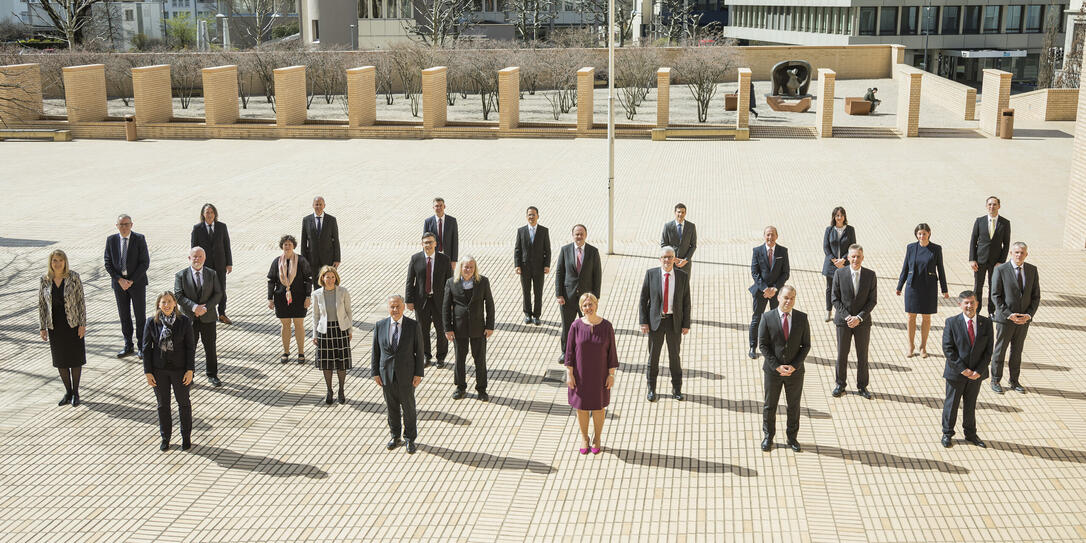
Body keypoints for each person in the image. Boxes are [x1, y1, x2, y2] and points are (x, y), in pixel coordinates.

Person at [757, 285, 810, 453]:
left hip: (795, 373)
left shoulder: (802, 318)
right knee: (769, 406)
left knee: (794, 406)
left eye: (792, 298)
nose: (789, 301)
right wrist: (777, 366)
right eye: (786, 297)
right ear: (778, 297)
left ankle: (792, 437)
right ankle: (768, 437)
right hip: (773, 372)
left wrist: (794, 366)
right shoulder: (767, 317)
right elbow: (763, 345)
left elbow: (806, 345)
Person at [565, 293, 618, 455]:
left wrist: (611, 375)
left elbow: (612, 354)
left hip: (599, 375)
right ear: (581, 308)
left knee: (598, 408)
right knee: (581, 409)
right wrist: (569, 374)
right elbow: (569, 353)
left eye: (590, 304)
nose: (588, 308)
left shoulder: (607, 326)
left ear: (596, 304)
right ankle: (584, 437)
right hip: (580, 376)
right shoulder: (575, 326)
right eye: (585, 306)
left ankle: (597, 438)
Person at [142, 291, 195, 452]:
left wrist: (190, 370)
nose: (166, 305)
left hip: (180, 371)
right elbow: (146, 349)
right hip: (159, 371)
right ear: (158, 304)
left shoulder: (184, 321)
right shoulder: (151, 322)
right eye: (163, 302)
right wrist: (148, 372)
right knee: (163, 405)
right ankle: (166, 437)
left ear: (175, 304)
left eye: (169, 302)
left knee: (184, 404)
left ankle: (186, 437)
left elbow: (190, 347)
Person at [372, 295, 424, 454]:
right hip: (386, 375)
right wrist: (375, 372)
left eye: (397, 307)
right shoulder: (380, 325)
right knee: (391, 408)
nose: (395, 310)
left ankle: (410, 438)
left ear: (403, 308)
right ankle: (395, 436)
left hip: (407, 375)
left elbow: (419, 351)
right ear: (388, 308)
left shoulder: (413, 326)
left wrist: (418, 373)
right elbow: (376, 351)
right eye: (392, 307)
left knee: (408, 409)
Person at [941, 291, 993, 448]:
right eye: (966, 303)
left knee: (970, 404)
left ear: (977, 304)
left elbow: (989, 350)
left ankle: (970, 434)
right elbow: (948, 349)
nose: (969, 306)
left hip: (976, 375)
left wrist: (979, 370)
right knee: (952, 404)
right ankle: (947, 433)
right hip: (956, 374)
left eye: (972, 302)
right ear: (960, 305)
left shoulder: (986, 323)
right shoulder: (951, 322)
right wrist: (963, 369)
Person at [638, 246, 691, 402]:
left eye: (670, 257)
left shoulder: (682, 276)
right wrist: (643, 322)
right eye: (664, 257)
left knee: (674, 357)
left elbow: (686, 302)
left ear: (674, 259)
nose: (667, 260)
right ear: (659, 259)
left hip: (674, 322)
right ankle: (652, 389)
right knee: (653, 357)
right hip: (656, 323)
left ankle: (677, 389)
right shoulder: (651, 274)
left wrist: (686, 323)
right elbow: (643, 300)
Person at [989, 242, 1040, 394]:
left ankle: (1014, 380)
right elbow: (995, 296)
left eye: (1022, 253)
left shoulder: (1032, 270)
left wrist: (1028, 315)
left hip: (1023, 321)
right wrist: (1009, 315)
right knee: (1000, 351)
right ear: (1011, 253)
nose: (1019, 255)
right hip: (1006, 320)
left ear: (1026, 254)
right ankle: (995, 380)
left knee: (1017, 352)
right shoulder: (1000, 270)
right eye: (1016, 252)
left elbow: (1035, 296)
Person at [38, 250, 87, 407]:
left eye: (60, 260)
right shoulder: (45, 280)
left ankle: (76, 392)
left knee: (75, 359)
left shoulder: (73, 277)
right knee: (61, 361)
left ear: (65, 262)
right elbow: (41, 305)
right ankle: (68, 391)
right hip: (55, 326)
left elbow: (81, 302)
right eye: (54, 260)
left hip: (72, 325)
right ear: (50, 262)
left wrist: (82, 324)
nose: (57, 263)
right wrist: (42, 327)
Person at [443, 256, 496, 401]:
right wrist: (447, 328)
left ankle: (482, 389)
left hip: (478, 328)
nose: (468, 270)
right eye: (466, 267)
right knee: (460, 359)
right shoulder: (451, 283)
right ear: (460, 268)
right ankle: (460, 387)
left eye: (471, 267)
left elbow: (490, 305)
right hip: (459, 329)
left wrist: (490, 326)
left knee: (480, 360)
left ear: (475, 269)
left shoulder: (483, 281)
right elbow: (446, 307)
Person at [895, 224, 949, 358]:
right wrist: (899, 286)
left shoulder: (936, 249)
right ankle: (911, 346)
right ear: (916, 234)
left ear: (929, 234)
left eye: (924, 233)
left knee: (926, 317)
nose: (921, 236)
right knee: (910, 317)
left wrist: (944, 289)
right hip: (913, 286)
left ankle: (923, 346)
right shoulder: (911, 248)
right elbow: (905, 268)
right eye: (919, 233)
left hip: (928, 287)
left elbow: (940, 269)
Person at [831, 244, 877, 399]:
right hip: (843, 322)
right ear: (848, 258)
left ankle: (862, 386)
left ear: (862, 258)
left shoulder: (870, 275)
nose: (855, 259)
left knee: (862, 355)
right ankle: (840, 384)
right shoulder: (839, 273)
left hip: (862, 323)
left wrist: (859, 318)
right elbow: (835, 299)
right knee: (842, 354)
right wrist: (848, 317)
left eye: (858, 256)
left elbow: (872, 301)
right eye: (853, 256)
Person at [174, 247, 223, 387]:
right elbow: (178, 295)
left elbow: (218, 293)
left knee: (210, 347)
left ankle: (212, 375)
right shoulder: (180, 275)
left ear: (204, 258)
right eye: (194, 257)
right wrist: (195, 308)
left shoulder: (211, 274)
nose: (197, 259)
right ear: (189, 258)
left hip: (208, 317)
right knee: (189, 348)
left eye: (200, 256)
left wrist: (205, 308)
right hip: (188, 319)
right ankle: (189, 376)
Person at [104, 214, 149, 359]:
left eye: (126, 224)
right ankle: (128, 345)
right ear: (117, 226)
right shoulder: (111, 240)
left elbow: (144, 262)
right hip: (119, 285)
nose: (124, 227)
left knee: (140, 316)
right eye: (121, 224)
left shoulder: (139, 239)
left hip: (137, 284)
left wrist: (131, 281)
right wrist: (119, 280)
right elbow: (108, 263)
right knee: (124, 316)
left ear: (131, 225)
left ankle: (142, 346)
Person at [555, 224, 602, 364]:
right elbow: (559, 273)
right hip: (567, 298)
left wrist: (595, 297)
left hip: (586, 299)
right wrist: (559, 294)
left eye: (581, 234)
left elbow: (597, 275)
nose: (579, 237)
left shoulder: (593, 252)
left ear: (586, 235)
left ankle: (588, 351)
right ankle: (565, 352)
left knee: (588, 326)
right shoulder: (565, 250)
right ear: (573, 235)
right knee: (567, 327)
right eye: (577, 234)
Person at [406, 233, 452, 367]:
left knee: (441, 329)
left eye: (430, 242)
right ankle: (426, 355)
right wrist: (409, 300)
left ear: (436, 244)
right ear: (422, 244)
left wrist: (450, 302)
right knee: (422, 331)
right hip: (421, 302)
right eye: (425, 242)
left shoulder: (444, 259)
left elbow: (449, 283)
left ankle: (441, 357)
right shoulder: (415, 259)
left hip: (440, 302)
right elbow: (410, 281)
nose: (428, 245)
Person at [311, 265, 353, 405]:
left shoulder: (343, 292)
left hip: (340, 329)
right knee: (326, 363)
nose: (330, 280)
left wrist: (350, 330)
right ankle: (329, 390)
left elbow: (348, 311)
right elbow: (315, 315)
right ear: (322, 278)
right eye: (327, 277)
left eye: (332, 277)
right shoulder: (317, 294)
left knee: (342, 362)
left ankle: (341, 390)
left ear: (336, 278)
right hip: (324, 331)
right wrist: (314, 334)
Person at [267, 235, 312, 364]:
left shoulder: (301, 260)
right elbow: (271, 281)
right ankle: (286, 351)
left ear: (294, 246)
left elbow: (308, 279)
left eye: (289, 244)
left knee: (299, 325)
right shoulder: (277, 262)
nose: (287, 247)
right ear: (282, 246)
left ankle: (301, 352)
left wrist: (308, 297)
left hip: (299, 297)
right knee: (285, 325)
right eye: (285, 244)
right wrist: (270, 298)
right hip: (281, 297)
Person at [748, 226, 789, 359]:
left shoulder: (783, 251)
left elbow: (785, 273)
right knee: (757, 319)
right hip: (761, 292)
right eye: (768, 235)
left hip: (776, 293)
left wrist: (775, 289)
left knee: (777, 320)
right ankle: (753, 346)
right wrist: (765, 288)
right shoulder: (757, 251)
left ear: (777, 236)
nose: (770, 238)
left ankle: (775, 347)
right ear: (764, 236)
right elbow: (754, 272)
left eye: (772, 235)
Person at [190, 203, 233, 324]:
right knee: (207, 291)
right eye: (207, 212)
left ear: (215, 214)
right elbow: (194, 248)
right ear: (203, 215)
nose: (209, 215)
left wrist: (229, 263)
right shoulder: (197, 228)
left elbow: (226, 245)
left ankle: (222, 313)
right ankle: (209, 313)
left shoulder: (222, 227)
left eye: (211, 212)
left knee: (221, 290)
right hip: (204, 266)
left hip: (220, 264)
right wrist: (195, 264)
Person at [968, 196, 1011, 316]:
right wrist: (972, 259)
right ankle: (977, 310)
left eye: (995, 204)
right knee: (978, 287)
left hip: (996, 262)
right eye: (990, 204)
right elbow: (973, 241)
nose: (992, 207)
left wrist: (1001, 261)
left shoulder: (1005, 223)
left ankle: (991, 312)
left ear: (999, 206)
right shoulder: (979, 221)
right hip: (980, 260)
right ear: (986, 206)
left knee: (994, 288)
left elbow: (1006, 244)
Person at [514, 206, 551, 325]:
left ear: (538, 216)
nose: (531, 217)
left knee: (538, 292)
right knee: (526, 291)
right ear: (526, 217)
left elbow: (547, 250)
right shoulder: (521, 231)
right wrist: (517, 265)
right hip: (525, 268)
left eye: (533, 214)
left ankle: (537, 315)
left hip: (539, 268)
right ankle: (527, 314)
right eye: (529, 215)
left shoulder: (544, 231)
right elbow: (517, 249)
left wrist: (547, 265)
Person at [822, 207, 855, 322]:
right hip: (831, 265)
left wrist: (844, 260)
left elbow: (852, 247)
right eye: (837, 215)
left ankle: (841, 312)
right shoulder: (829, 230)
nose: (839, 218)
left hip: (844, 264)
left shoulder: (850, 230)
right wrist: (834, 260)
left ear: (844, 217)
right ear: (834, 217)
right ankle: (828, 310)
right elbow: (826, 247)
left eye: (841, 215)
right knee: (829, 288)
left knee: (843, 289)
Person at [300, 196, 341, 285]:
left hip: (328, 259)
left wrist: (337, 259)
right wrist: (303, 260)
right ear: (313, 206)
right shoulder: (306, 220)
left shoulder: (331, 220)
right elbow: (303, 241)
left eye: (320, 204)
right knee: (315, 284)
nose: (318, 206)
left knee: (328, 283)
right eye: (316, 204)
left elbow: (336, 240)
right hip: (312, 259)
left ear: (324, 206)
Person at [660, 203, 697, 275]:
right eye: (679, 212)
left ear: (685, 213)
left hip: (685, 265)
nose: (680, 214)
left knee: (684, 285)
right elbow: (664, 244)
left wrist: (686, 260)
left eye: (683, 212)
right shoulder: (668, 226)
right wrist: (674, 259)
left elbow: (693, 245)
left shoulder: (691, 226)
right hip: (671, 263)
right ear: (675, 212)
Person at [424, 197, 458, 271]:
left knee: (448, 280)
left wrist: (454, 260)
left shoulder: (452, 221)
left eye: (440, 205)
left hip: (447, 256)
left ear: (444, 206)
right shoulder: (428, 222)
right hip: (433, 255)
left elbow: (455, 241)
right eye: (436, 206)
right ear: (433, 207)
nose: (438, 208)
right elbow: (425, 242)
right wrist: (426, 257)